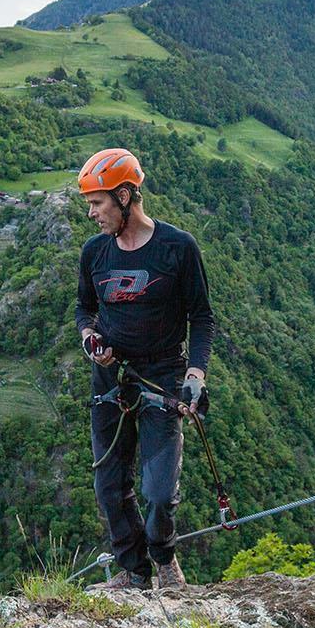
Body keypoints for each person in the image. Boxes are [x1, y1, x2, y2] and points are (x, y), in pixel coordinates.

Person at [75, 147, 213, 591]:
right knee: (109, 486)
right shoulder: (94, 253)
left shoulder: (177, 248)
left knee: (158, 491)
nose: (92, 214)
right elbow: (84, 309)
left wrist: (195, 375)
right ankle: (133, 572)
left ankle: (164, 559)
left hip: (164, 377)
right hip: (110, 379)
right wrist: (89, 338)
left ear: (125, 196)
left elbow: (202, 317)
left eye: (97, 204)